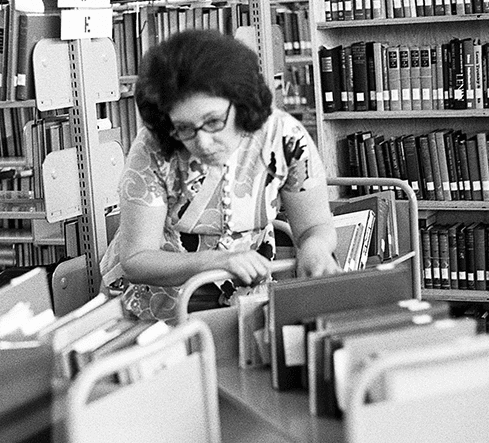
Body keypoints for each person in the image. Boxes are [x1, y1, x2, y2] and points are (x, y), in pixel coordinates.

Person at [100, 28, 340, 322]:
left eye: (213, 121)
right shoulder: (153, 147)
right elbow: (137, 258)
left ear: (240, 103)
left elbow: (313, 225)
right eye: (184, 127)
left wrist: (314, 249)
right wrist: (219, 260)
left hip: (245, 298)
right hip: (157, 307)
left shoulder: (284, 138)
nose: (201, 143)